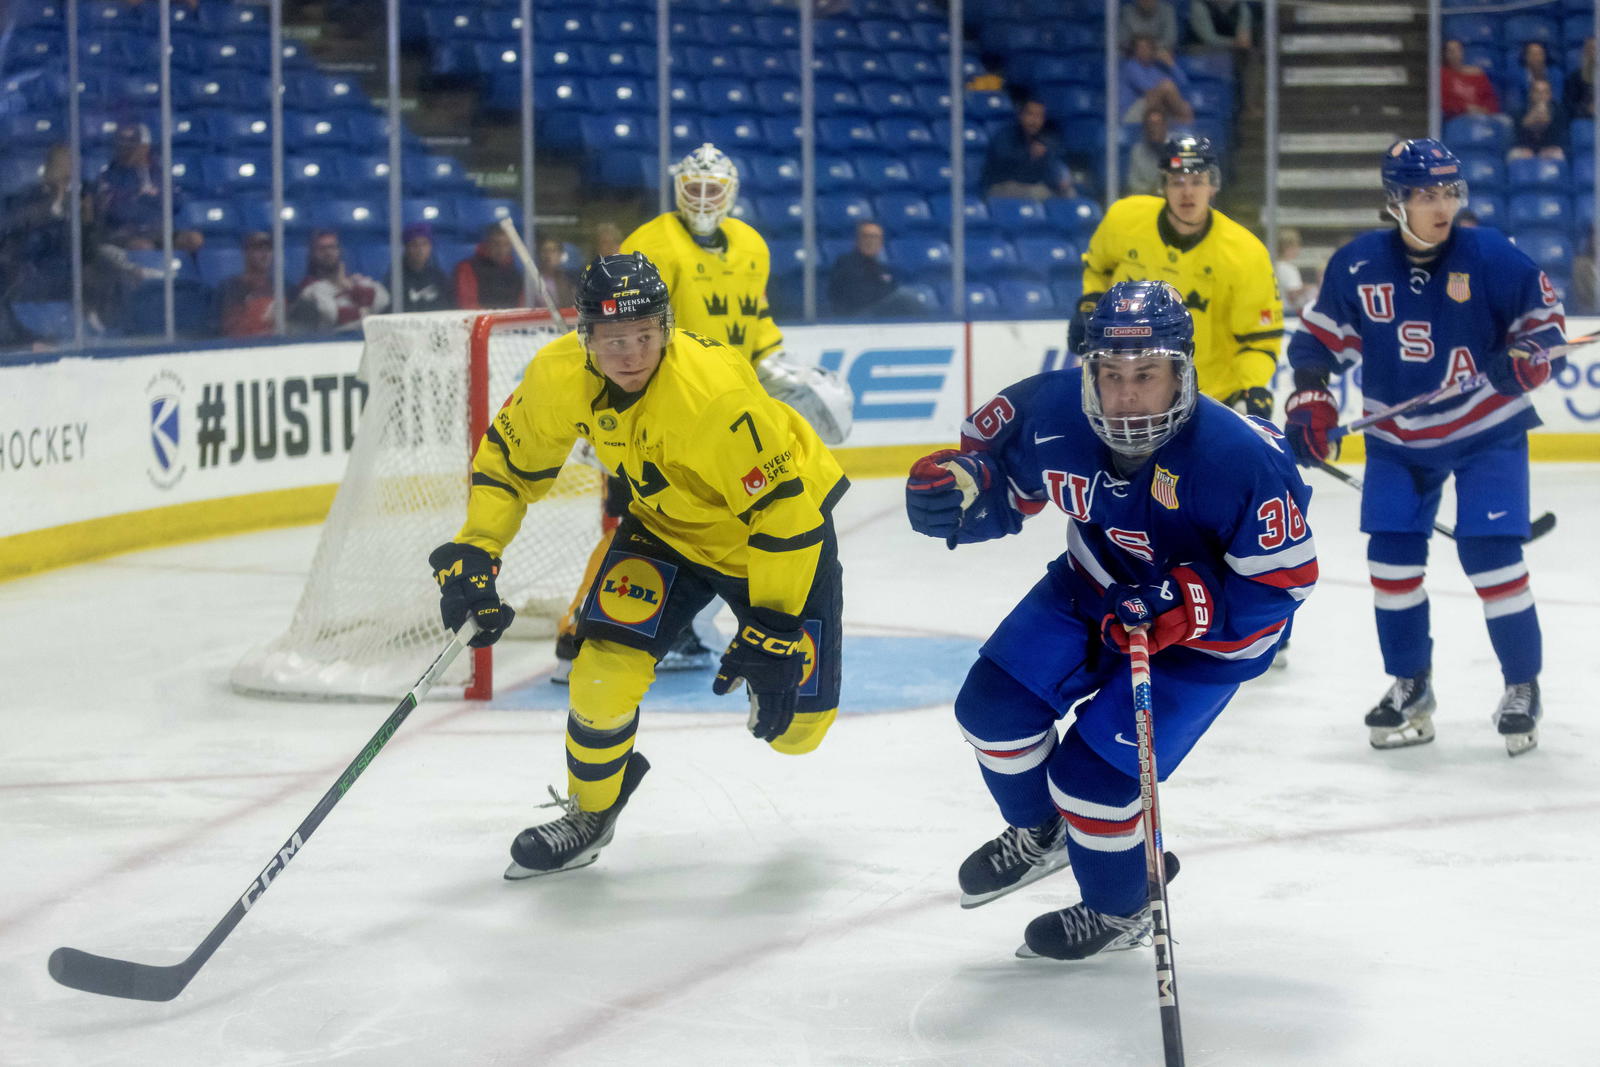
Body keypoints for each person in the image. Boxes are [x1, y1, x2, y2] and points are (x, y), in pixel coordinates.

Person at [906, 279, 1314, 959]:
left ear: (1181, 373)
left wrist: (1186, 606)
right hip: (1094, 586)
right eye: (1110, 374)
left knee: (1092, 782)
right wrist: (959, 495)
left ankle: (1120, 906)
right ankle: (1044, 833)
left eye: (1146, 375)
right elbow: (998, 478)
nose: (1126, 396)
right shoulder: (1053, 407)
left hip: (1205, 645)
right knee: (990, 709)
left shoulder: (1240, 458)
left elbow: (1283, 585)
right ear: (1086, 368)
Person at [428, 252, 848, 878]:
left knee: (795, 732)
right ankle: (591, 812)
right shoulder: (558, 374)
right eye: (612, 339)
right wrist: (475, 550)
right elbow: (508, 465)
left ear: (666, 329)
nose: (630, 354)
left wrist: (776, 627)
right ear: (585, 336)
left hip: (773, 540)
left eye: (644, 336)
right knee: (598, 675)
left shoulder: (714, 394)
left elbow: (785, 516)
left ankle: (791, 664)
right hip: (665, 530)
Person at [1283, 138, 1567, 756]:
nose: (1441, 207)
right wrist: (1311, 398)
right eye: (1425, 195)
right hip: (1397, 440)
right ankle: (1411, 684)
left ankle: (1522, 685)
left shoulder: (1489, 253)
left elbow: (1545, 320)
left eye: (1448, 193)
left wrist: (1528, 356)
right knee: (1391, 565)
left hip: (1487, 431)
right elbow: (1316, 345)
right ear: (1395, 201)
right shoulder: (1357, 264)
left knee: (1493, 560)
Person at [541, 143, 851, 679]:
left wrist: (778, 369)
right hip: (655, 408)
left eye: (714, 190)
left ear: (730, 193)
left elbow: (756, 322)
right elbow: (623, 334)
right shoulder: (653, 243)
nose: (704, 199)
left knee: (711, 521)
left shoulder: (751, 245)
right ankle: (579, 631)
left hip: (724, 413)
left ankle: (676, 628)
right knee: (636, 521)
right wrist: (606, 407)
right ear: (678, 189)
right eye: (695, 188)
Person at [1077, 135, 1283, 419]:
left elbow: (1259, 339)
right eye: (1177, 182)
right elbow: (1097, 268)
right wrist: (1089, 306)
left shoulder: (1245, 253)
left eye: (1197, 181)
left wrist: (1254, 387)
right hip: (1128, 396)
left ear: (1213, 185)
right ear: (1163, 186)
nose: (1187, 193)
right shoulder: (1124, 220)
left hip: (1209, 399)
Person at [289, 229, 389, 332]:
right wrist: (362, 306)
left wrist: (354, 288)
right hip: (329, 343)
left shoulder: (356, 282)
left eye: (332, 247)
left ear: (339, 250)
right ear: (313, 254)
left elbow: (383, 301)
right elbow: (331, 315)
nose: (328, 252)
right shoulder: (308, 289)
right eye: (322, 249)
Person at [981, 98, 1076, 201]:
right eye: (1030, 114)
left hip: (1032, 186)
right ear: (1021, 116)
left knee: (1069, 193)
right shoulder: (1005, 136)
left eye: (1039, 116)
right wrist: (1029, 154)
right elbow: (1006, 167)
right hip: (1001, 186)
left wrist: (1060, 179)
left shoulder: (1044, 139)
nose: (1034, 120)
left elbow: (1052, 163)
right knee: (1038, 194)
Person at [827, 220, 925, 318]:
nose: (871, 241)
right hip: (855, 315)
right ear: (857, 240)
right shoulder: (846, 262)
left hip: (878, 312)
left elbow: (891, 287)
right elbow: (857, 295)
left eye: (875, 237)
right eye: (866, 236)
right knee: (905, 297)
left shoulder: (881, 268)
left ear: (881, 243)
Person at [1120, 35, 1195, 125]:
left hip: (1157, 108)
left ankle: (1186, 129)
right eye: (1140, 48)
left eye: (1148, 47)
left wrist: (1171, 63)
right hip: (1131, 111)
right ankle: (1186, 124)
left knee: (1186, 106)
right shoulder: (1131, 66)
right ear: (1134, 51)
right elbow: (1147, 89)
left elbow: (1183, 84)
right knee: (1167, 86)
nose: (1144, 51)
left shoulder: (1157, 67)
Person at [218, 231, 279, 337]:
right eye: (259, 248)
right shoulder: (230, 287)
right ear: (246, 252)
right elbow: (228, 330)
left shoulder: (282, 286)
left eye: (269, 249)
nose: (265, 254)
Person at [388, 221, 454, 312]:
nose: (420, 250)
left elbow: (449, 308)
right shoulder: (394, 278)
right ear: (406, 248)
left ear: (430, 247)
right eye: (414, 245)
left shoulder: (439, 277)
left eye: (424, 244)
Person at [454, 223, 521, 310]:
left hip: (511, 320)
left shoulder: (515, 272)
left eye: (506, 245)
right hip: (483, 321)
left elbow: (522, 304)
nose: (501, 250)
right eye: (496, 244)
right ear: (487, 244)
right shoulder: (467, 268)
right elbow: (468, 304)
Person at [1508, 78, 1568, 160]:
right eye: (1537, 92)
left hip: (1549, 148)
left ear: (1550, 95)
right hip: (1526, 149)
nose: (1541, 96)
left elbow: (1561, 138)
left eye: (1545, 92)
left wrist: (1547, 121)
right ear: (1531, 94)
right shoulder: (1520, 112)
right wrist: (1527, 122)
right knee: (1513, 155)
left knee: (1559, 154)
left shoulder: (1559, 112)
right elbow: (1516, 138)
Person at [1441, 38, 1501, 119]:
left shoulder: (1477, 74)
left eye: (1458, 50)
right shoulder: (1442, 74)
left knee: (1505, 121)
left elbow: (1490, 99)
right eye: (1451, 51)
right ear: (1445, 54)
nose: (1455, 54)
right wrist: (1464, 108)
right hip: (1457, 117)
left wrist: (1485, 110)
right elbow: (1443, 101)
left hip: (1482, 116)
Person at [1123, 108, 1169, 196]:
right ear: (1145, 128)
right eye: (1150, 125)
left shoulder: (1175, 149)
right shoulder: (1137, 152)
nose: (1154, 129)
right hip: (1147, 202)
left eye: (1158, 124)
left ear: (1165, 126)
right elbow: (1134, 186)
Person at [1274, 226, 1318, 315]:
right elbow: (1292, 295)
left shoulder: (1273, 266)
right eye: (1297, 246)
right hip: (1288, 313)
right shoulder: (1289, 269)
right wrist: (1307, 288)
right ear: (1288, 247)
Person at [534, 236, 577, 309]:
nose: (548, 255)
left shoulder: (569, 280)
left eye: (553, 251)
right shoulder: (534, 279)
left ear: (560, 255)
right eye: (545, 251)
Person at [1564, 36, 1595, 120]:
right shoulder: (1575, 77)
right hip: (1585, 121)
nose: (1594, 53)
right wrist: (1587, 109)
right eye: (1591, 49)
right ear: (1585, 52)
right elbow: (1569, 105)